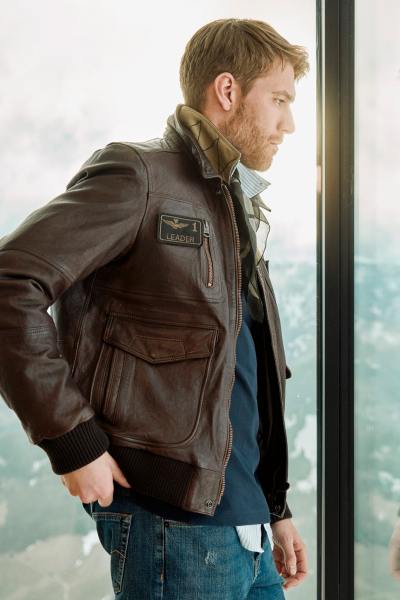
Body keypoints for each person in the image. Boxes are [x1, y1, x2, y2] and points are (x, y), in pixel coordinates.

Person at [0, 18, 309, 599]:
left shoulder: (234, 201)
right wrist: (73, 441)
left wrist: (273, 506)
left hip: (244, 527)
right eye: (280, 100)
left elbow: (239, 373)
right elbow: (11, 282)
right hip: (171, 527)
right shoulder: (141, 176)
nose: (289, 124)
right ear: (227, 90)